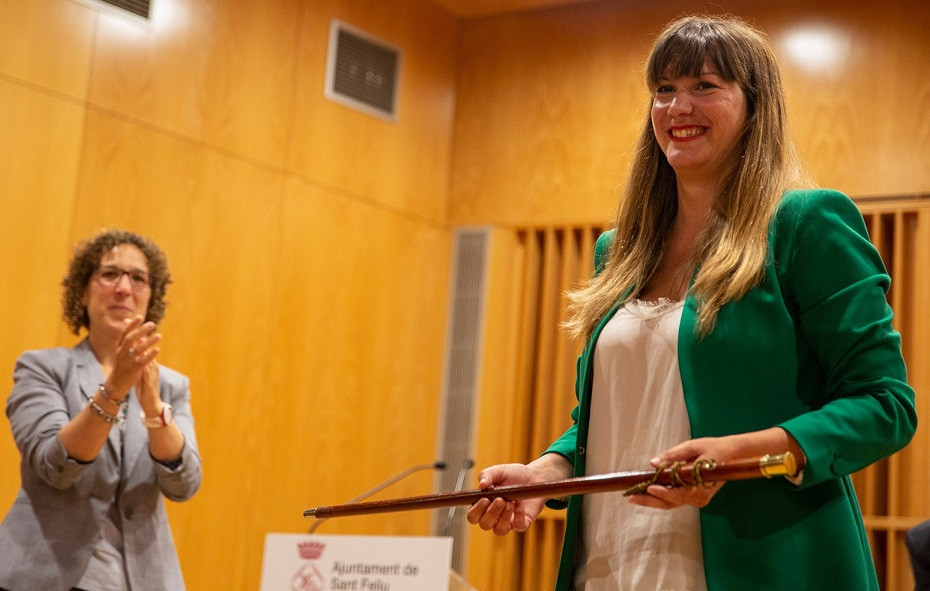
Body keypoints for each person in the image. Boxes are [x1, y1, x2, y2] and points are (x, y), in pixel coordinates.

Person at [466, 15, 916, 591]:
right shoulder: (619, 249)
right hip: (608, 565)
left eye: (705, 86)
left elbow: (885, 406)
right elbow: (615, 419)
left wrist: (740, 455)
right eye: (664, 90)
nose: (678, 107)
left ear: (756, 107)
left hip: (762, 567)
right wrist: (546, 473)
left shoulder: (806, 225)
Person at [0, 229, 202, 591]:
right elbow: (56, 466)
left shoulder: (172, 386)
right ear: (82, 291)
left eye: (138, 278)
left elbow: (183, 483)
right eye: (109, 274)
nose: (124, 288)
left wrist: (153, 407)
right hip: (47, 576)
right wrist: (114, 388)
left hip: (141, 580)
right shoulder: (41, 368)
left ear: (151, 298)